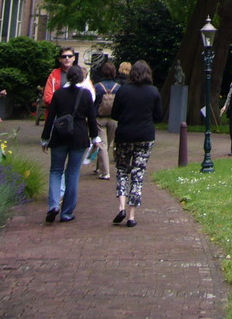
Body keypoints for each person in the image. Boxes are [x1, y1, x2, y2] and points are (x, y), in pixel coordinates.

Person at [40, 63, 100, 223]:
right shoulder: (86, 95)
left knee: (55, 171)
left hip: (59, 136)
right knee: (72, 173)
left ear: (68, 78)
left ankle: (53, 205)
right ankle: (67, 213)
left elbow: (50, 118)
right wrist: (95, 138)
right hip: (79, 137)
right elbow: (92, 120)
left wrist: (45, 139)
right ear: (82, 78)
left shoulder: (59, 94)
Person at [111, 60, 163, 227]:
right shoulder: (153, 92)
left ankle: (121, 206)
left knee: (122, 170)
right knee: (138, 173)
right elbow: (159, 116)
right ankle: (132, 215)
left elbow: (115, 114)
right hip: (145, 135)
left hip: (124, 135)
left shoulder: (123, 91)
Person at [93, 61, 120, 179]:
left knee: (102, 145)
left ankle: (105, 172)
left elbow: (93, 103)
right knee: (107, 144)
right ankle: (99, 167)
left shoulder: (97, 87)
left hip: (99, 119)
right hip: (114, 119)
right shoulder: (119, 88)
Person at [42, 46, 76, 117]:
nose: (67, 58)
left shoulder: (81, 74)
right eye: (64, 56)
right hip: (56, 116)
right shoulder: (53, 75)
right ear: (60, 59)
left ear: (74, 58)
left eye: (69, 56)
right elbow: (47, 97)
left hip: (75, 116)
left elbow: (89, 96)